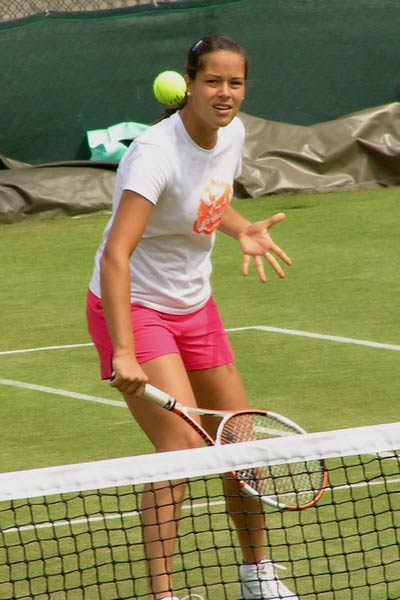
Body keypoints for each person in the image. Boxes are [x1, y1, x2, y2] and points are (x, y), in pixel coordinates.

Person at [86, 34, 297, 600]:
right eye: (213, 82)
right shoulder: (155, 153)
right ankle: (162, 595)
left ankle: (257, 577)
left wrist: (240, 228)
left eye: (235, 83)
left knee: (241, 441)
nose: (225, 94)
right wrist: (125, 350)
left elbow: (206, 196)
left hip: (194, 304)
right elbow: (116, 254)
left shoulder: (233, 135)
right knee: (179, 447)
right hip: (132, 306)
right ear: (189, 85)